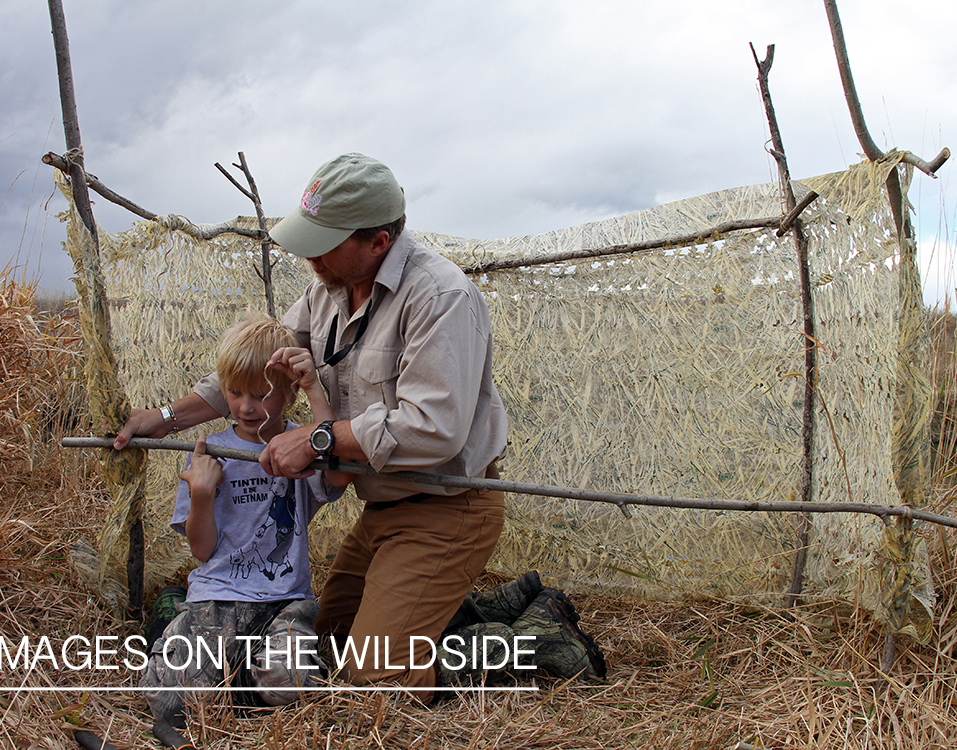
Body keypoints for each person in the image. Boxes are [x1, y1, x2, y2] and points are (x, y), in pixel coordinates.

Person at [118, 154, 604, 701]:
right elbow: (255, 371)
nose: (308, 254)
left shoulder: (440, 297)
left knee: (376, 675)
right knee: (327, 647)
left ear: (378, 241)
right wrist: (163, 419)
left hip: (447, 506)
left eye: (323, 240)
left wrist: (318, 438)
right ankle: (482, 610)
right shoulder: (328, 287)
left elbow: (434, 428)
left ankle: (535, 641)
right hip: (384, 509)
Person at [139, 313, 351, 724]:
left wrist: (314, 389)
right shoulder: (209, 450)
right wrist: (201, 494)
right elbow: (202, 549)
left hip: (282, 603)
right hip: (216, 598)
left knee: (289, 682)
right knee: (165, 701)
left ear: (289, 394)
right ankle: (177, 622)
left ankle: (232, 685)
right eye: (235, 393)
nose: (246, 407)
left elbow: (337, 471)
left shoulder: (301, 447)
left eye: (261, 395)